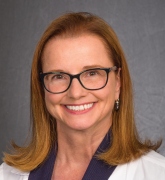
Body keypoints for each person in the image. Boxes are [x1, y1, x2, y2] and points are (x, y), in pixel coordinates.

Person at [0, 12, 165, 180]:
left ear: (117, 82)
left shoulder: (157, 174)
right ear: (42, 87)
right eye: (58, 76)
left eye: (92, 73)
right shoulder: (6, 175)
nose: (76, 93)